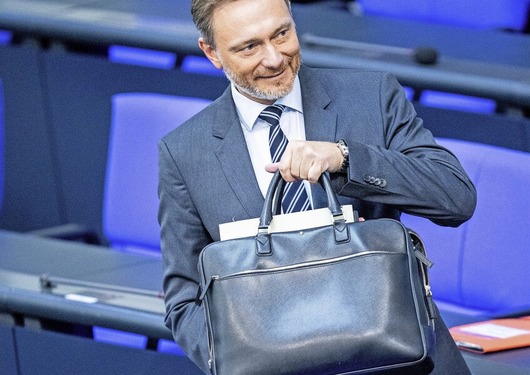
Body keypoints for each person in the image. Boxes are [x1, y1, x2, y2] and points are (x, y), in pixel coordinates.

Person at [159, 0, 477, 373]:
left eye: (282, 33)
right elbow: (185, 300)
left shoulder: (371, 96)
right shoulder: (185, 151)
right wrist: (241, 365)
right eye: (249, 47)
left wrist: (346, 158)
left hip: (402, 360)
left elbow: (456, 197)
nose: (275, 58)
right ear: (211, 52)